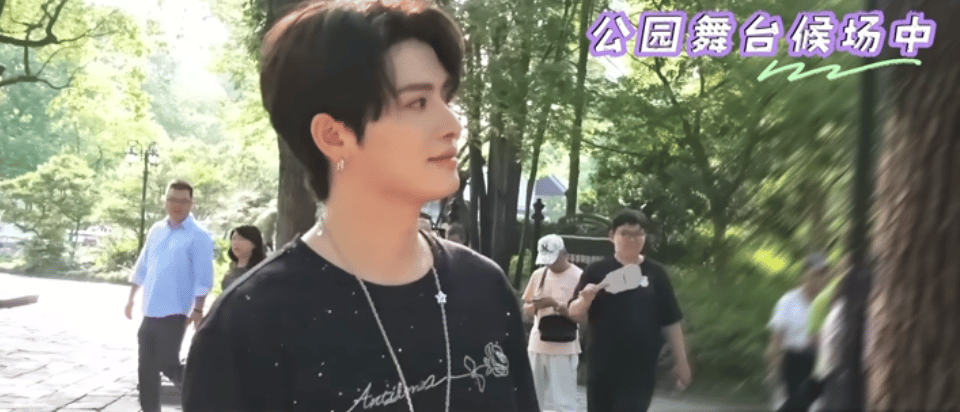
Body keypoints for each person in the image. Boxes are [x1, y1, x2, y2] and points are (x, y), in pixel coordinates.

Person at [181, 1, 539, 411]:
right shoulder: (249, 325)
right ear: (333, 136)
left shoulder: (483, 288)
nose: (453, 125)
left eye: (445, 97)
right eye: (418, 103)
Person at [568, 210, 692, 412]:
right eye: (625, 233)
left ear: (645, 237)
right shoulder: (596, 271)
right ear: (612, 236)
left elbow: (671, 320)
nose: (632, 239)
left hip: (641, 369)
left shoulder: (656, 274)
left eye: (638, 234)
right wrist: (584, 300)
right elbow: (574, 313)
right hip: (602, 366)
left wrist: (682, 361)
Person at [124, 179, 214, 412]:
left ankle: (205, 395)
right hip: (150, 309)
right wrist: (131, 298)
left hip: (176, 311)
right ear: (165, 201)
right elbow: (142, 265)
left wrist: (198, 309)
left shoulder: (199, 236)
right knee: (146, 368)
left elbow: (203, 276)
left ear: (191, 203)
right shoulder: (157, 230)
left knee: (167, 362)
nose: (177, 205)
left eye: (183, 201)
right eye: (173, 199)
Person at [520, 234, 583, 412]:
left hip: (564, 345)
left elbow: (583, 315)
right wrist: (536, 306)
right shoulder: (539, 275)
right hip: (537, 343)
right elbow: (526, 307)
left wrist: (557, 305)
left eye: (554, 259)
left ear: (565, 254)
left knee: (563, 402)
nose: (550, 264)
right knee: (531, 397)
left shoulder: (579, 276)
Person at [765, 253, 832, 412]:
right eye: (814, 273)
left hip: (819, 363)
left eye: (822, 273)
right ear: (804, 273)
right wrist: (773, 371)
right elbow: (776, 340)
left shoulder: (829, 302)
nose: (818, 278)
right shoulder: (788, 301)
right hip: (793, 362)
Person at [220, 225, 267, 291]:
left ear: (254, 244)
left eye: (241, 239)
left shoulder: (262, 270)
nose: (236, 243)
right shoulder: (232, 268)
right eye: (233, 239)